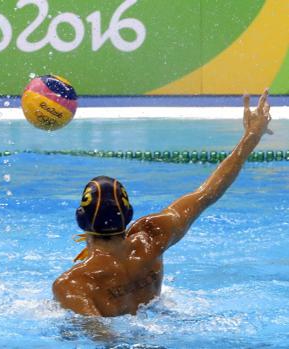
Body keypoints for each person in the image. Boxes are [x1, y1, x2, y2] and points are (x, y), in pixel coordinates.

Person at [53, 89, 273, 317]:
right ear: (128, 214)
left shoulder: (73, 284)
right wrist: (252, 136)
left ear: (81, 219)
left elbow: (101, 335)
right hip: (164, 319)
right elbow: (207, 194)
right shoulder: (152, 236)